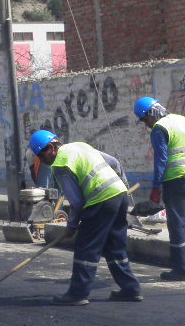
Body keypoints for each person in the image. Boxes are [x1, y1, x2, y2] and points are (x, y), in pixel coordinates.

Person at [28, 130, 143, 306]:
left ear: (51, 148)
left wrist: (72, 225)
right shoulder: (79, 146)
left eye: (41, 157)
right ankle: (131, 289)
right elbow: (115, 163)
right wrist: (122, 186)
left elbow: (76, 201)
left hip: (100, 200)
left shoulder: (60, 164)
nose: (43, 162)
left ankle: (77, 293)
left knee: (86, 247)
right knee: (114, 245)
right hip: (119, 196)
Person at [134, 96, 185, 279]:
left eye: (145, 119)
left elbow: (161, 160)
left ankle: (182, 269)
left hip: (176, 179)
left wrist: (155, 189)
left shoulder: (159, 128)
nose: (146, 125)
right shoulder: (184, 120)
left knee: (175, 224)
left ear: (151, 113)